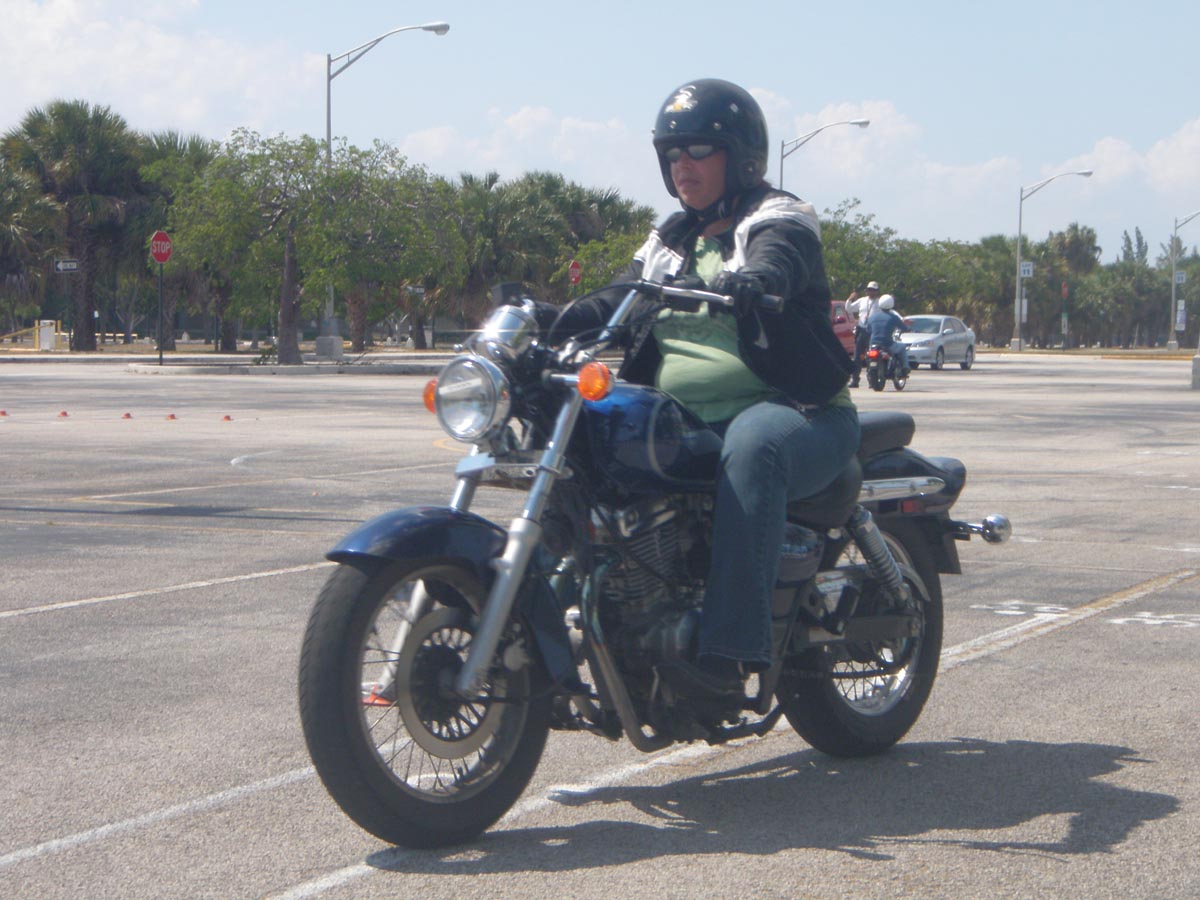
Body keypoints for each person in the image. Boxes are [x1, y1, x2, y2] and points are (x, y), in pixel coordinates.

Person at [546, 78, 859, 715]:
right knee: (577, 430)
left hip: (795, 412)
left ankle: (727, 656)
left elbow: (780, 256)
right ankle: (548, 623)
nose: (680, 165)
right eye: (671, 153)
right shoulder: (672, 238)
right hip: (688, 421)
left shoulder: (779, 216)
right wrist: (553, 318)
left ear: (740, 157)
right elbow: (621, 296)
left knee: (752, 446)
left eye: (697, 150)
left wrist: (757, 280)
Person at [845, 280, 883, 387]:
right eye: (869, 290)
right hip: (862, 331)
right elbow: (849, 309)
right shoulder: (862, 300)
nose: (871, 292)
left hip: (873, 332)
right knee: (857, 357)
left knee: (872, 357)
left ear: (877, 291)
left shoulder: (880, 303)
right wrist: (850, 298)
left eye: (873, 290)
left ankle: (872, 380)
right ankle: (855, 380)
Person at [865, 294, 909, 375]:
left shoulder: (872, 317)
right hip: (888, 344)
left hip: (873, 345)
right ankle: (905, 368)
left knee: (868, 356)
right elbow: (904, 328)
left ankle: (869, 369)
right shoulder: (893, 317)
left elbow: (868, 330)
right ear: (892, 304)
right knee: (902, 347)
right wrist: (907, 329)